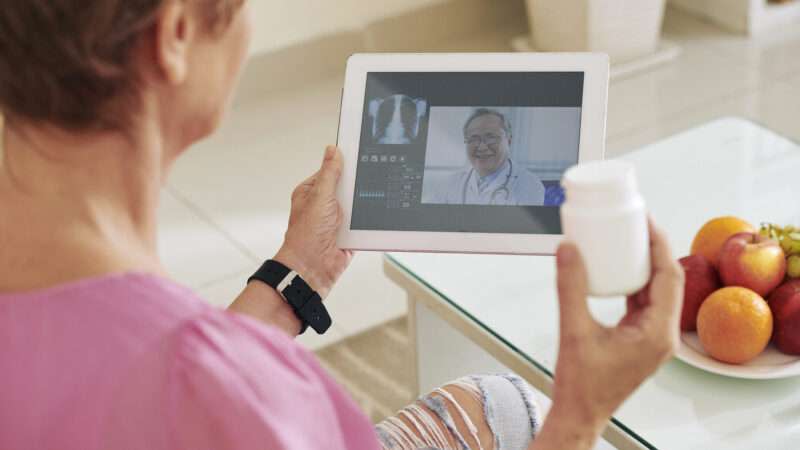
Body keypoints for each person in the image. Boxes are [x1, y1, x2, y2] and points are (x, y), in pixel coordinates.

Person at [0, 1, 684, 449]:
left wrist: (295, 274)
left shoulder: (197, 377)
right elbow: (192, 392)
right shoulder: (243, 399)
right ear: (175, 33)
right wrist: (581, 416)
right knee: (511, 407)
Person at [426, 108, 546, 206]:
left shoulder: (529, 184)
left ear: (509, 141)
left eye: (491, 137)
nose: (482, 147)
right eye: (473, 138)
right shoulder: (450, 184)